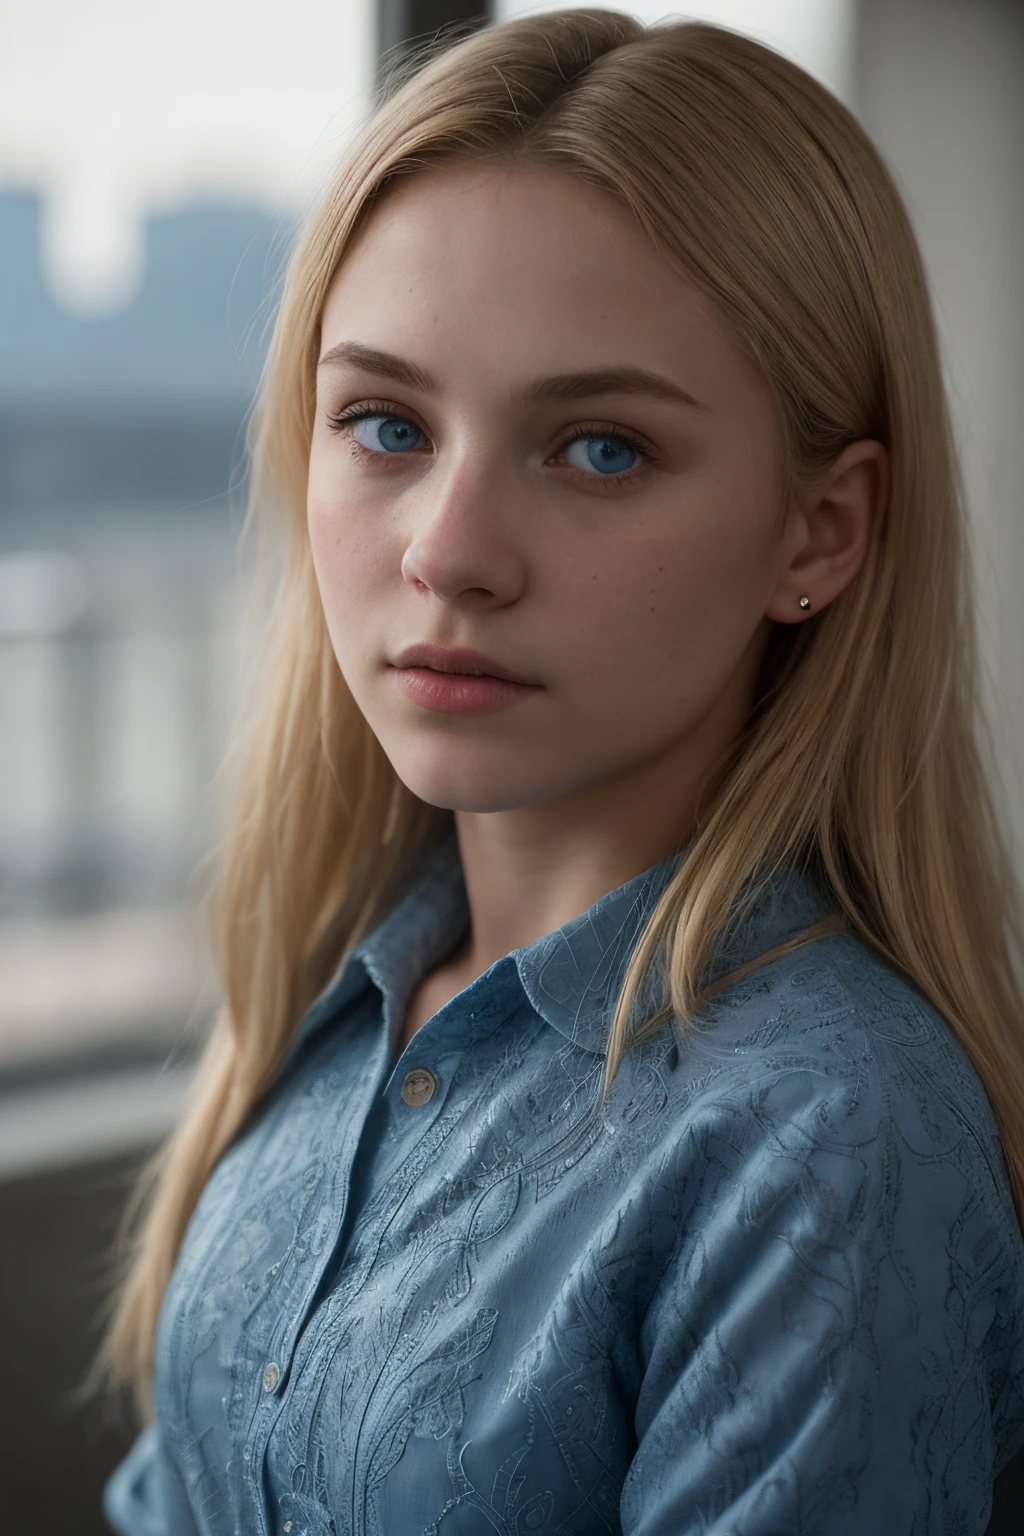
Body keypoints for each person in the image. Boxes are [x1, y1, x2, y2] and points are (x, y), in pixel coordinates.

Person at [102, 10, 1024, 1533]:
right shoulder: (346, 998)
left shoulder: (818, 1145)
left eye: (600, 449)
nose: (449, 552)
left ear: (821, 533)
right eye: (386, 424)